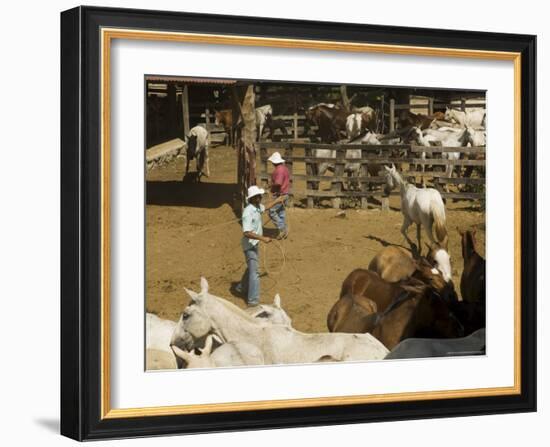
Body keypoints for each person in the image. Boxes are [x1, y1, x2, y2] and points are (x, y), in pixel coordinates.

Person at [234, 185, 285, 307]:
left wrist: (277, 201)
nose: (260, 197)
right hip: (249, 246)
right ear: (252, 198)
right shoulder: (248, 212)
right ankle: (253, 301)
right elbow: (246, 232)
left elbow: (265, 207)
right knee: (255, 271)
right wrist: (263, 238)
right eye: (258, 196)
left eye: (260, 196)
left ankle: (240, 288)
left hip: (254, 244)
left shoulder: (256, 207)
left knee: (252, 267)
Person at [267, 152, 290, 239]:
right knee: (281, 212)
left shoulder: (279, 170)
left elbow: (278, 183)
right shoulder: (284, 169)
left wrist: (271, 186)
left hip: (280, 195)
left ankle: (282, 228)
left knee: (271, 211)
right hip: (285, 194)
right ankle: (283, 231)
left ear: (273, 162)